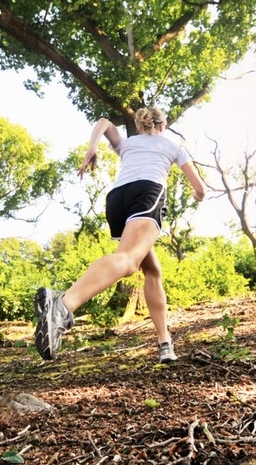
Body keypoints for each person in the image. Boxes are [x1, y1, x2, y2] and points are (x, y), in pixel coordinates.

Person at [34, 107, 206, 363]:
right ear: (162, 125)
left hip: (117, 200)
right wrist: (197, 196)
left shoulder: (128, 143)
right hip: (147, 195)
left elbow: (103, 121)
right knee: (127, 261)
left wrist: (92, 148)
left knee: (152, 270)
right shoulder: (172, 145)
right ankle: (63, 305)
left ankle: (164, 342)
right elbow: (200, 188)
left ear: (140, 125)